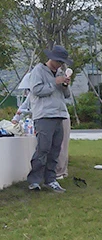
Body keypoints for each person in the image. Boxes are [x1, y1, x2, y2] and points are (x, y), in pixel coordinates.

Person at [26, 45, 72, 193]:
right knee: (43, 149)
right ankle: (34, 181)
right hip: (44, 115)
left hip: (59, 114)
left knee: (55, 150)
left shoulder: (59, 72)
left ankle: (51, 179)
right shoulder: (38, 71)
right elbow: (36, 90)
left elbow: (66, 95)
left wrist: (65, 85)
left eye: (62, 62)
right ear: (51, 58)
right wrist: (55, 82)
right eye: (58, 61)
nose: (60, 64)